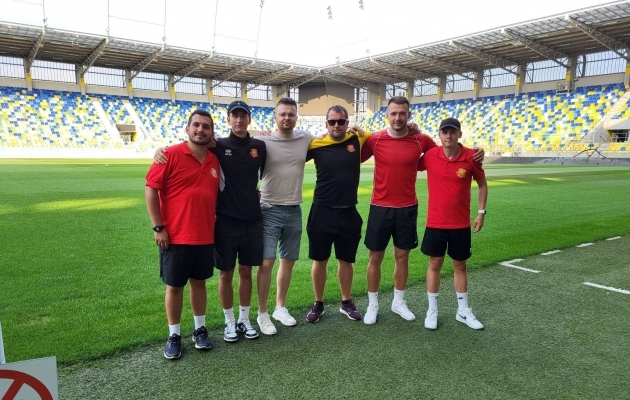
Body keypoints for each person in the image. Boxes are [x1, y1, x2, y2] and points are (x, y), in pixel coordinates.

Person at [359, 96, 484, 325]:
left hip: (407, 208)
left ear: (409, 115)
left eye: (402, 113)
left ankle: (398, 302)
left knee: (402, 257)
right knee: (375, 257)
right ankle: (373, 304)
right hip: (380, 206)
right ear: (387, 115)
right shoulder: (375, 140)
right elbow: (352, 158)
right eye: (394, 113)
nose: (398, 117)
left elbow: (448, 151)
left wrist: (476, 153)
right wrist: (354, 134)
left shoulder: (421, 140)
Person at [154, 101, 267, 343]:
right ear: (228, 120)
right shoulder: (217, 147)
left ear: (249, 119)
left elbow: (261, 175)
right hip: (224, 222)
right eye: (234, 116)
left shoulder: (260, 146)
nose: (239, 120)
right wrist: (159, 151)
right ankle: (227, 322)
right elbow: (193, 146)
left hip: (251, 220)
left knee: (245, 271)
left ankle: (243, 319)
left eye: (243, 116)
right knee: (225, 273)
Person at [145, 110, 220, 359]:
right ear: (187, 129)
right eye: (196, 125)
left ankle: (199, 329)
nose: (201, 130)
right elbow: (151, 190)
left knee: (199, 283)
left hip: (205, 236)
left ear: (212, 132)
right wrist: (158, 227)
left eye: (206, 126)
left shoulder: (214, 160)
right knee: (175, 286)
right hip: (175, 236)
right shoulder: (169, 155)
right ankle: (174, 334)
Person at [418, 117, 487, 331]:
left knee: (460, 266)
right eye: (444, 132)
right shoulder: (430, 156)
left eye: (452, 132)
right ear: (439, 135)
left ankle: (463, 311)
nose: (448, 136)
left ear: (459, 134)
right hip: (435, 222)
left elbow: (482, 185)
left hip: (460, 224)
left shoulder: (471, 157)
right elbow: (410, 159)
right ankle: (432, 310)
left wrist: (481, 212)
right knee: (434, 265)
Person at [255, 97, 315, 334]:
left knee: (287, 261)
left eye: (291, 114)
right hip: (269, 208)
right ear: (275, 116)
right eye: (282, 114)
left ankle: (280, 307)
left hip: (295, 209)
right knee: (267, 262)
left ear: (296, 116)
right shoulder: (262, 139)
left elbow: (333, 138)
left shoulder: (306, 138)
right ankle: (262, 314)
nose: (287, 118)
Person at [304, 105, 367, 323]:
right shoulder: (316, 144)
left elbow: (387, 135)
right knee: (319, 260)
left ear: (348, 123)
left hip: (349, 212)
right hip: (321, 211)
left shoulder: (358, 139)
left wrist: (413, 127)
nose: (337, 125)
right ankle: (318, 303)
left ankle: (346, 302)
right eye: (332, 122)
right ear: (326, 124)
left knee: (346, 260)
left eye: (341, 121)